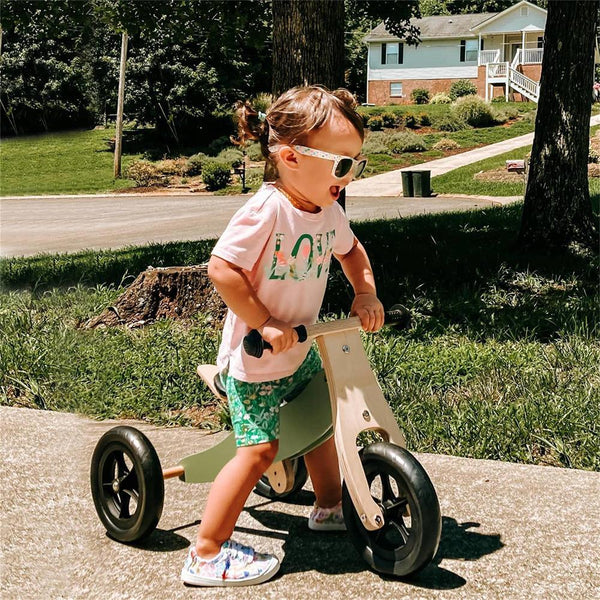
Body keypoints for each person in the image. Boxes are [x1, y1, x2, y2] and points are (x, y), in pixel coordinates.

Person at [181, 85, 385, 587]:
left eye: (356, 164)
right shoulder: (267, 209)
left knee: (320, 422)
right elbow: (223, 269)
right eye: (341, 165)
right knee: (257, 452)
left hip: (300, 349)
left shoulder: (327, 210)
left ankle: (329, 506)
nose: (348, 176)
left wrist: (364, 293)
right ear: (291, 157)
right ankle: (206, 553)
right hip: (257, 359)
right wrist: (263, 322)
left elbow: (352, 253)